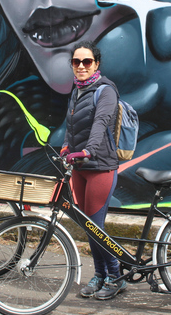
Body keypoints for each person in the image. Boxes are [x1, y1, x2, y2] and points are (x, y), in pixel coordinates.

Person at [60, 40, 127, 300]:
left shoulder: (106, 90)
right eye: (76, 62)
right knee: (89, 226)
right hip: (79, 166)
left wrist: (89, 150)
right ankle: (100, 274)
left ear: (96, 64)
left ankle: (115, 275)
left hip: (100, 165)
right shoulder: (76, 91)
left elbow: (101, 122)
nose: (81, 66)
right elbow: (71, 126)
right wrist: (67, 146)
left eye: (86, 61)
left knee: (96, 226)